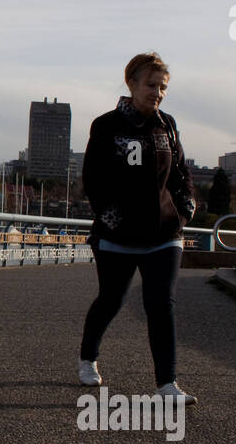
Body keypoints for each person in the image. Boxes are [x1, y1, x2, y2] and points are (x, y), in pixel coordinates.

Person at [77, 52, 198, 403]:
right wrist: (111, 218)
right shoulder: (106, 125)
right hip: (117, 236)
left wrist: (185, 207)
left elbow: (181, 173)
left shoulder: (167, 125)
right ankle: (88, 358)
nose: (157, 93)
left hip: (164, 233)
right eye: (150, 85)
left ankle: (167, 384)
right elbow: (93, 179)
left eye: (162, 87)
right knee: (111, 300)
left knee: (161, 304)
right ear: (131, 83)